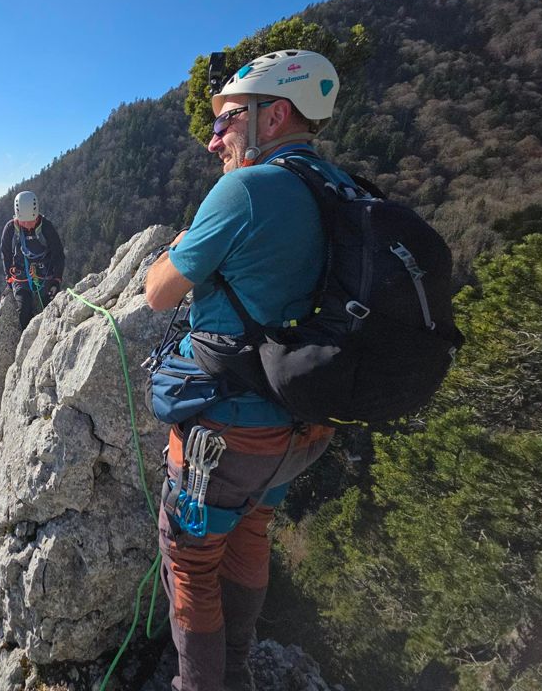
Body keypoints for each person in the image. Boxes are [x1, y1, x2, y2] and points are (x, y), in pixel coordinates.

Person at [145, 49, 357, 691]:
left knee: (191, 560)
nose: (214, 140)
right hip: (304, 427)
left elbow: (159, 292)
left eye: (227, 119)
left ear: (276, 115)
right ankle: (236, 668)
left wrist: (177, 251)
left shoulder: (247, 189)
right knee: (251, 530)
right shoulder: (342, 188)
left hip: (230, 434)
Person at [1, 190, 65, 331]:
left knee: (52, 309)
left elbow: (58, 253)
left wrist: (57, 279)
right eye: (24, 221)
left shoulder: (46, 227)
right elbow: (6, 253)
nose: (28, 225)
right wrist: (9, 278)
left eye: (31, 221)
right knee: (23, 311)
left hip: (45, 273)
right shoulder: (11, 228)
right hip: (21, 276)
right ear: (17, 216)